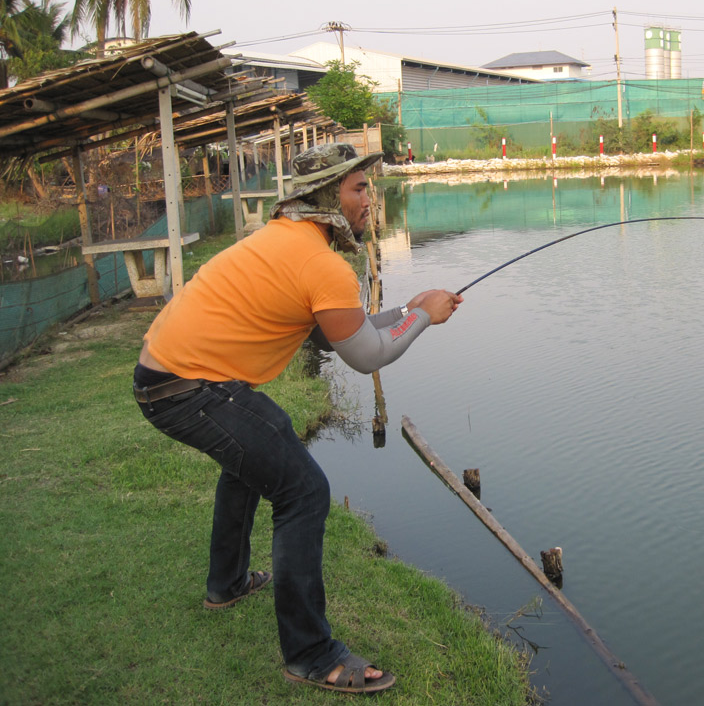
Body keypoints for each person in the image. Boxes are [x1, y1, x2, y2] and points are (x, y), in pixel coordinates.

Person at [133, 142, 462, 694]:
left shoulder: (287, 241)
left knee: (259, 452)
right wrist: (424, 320)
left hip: (167, 377)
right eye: (358, 188)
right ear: (324, 196)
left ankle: (228, 584)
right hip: (186, 388)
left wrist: (411, 308)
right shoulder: (320, 262)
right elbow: (367, 356)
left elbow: (339, 331)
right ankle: (311, 654)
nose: (368, 200)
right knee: (304, 491)